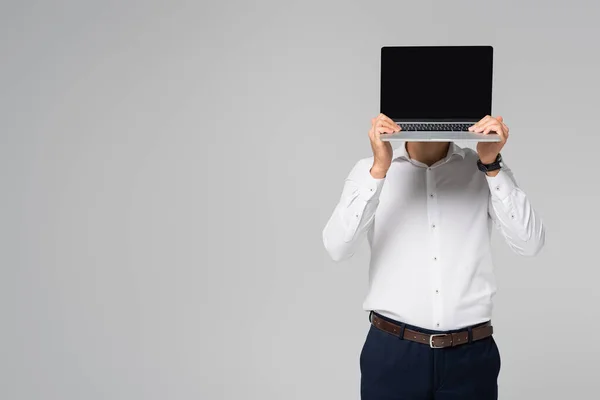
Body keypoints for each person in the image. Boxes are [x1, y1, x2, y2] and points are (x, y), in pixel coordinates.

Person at [322, 113, 545, 400]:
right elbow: (337, 247)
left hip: (471, 356)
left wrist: (491, 165)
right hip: (392, 354)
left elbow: (530, 243)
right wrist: (379, 170)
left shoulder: (483, 169)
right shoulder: (369, 171)